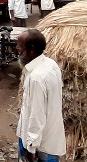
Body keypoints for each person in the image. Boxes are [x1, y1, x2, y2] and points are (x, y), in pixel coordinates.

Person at [16, 29, 66, 162]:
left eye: (20, 46)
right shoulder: (50, 63)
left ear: (31, 49)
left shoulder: (37, 77)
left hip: (40, 144)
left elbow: (37, 114)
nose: (17, 49)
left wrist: (31, 147)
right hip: (46, 138)